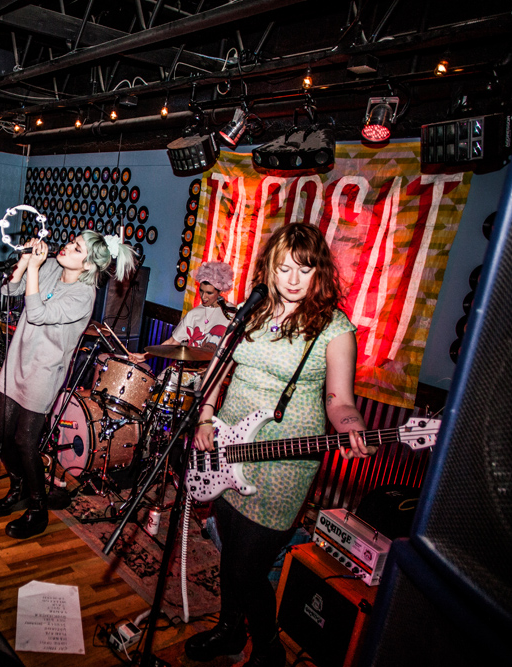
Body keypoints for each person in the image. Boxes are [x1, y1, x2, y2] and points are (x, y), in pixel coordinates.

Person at [186, 224, 372, 666]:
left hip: (284, 463)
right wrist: (206, 416)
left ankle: (267, 650)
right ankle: (230, 631)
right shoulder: (251, 312)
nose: (292, 279)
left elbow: (340, 400)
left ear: (318, 273)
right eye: (284, 267)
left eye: (304, 270)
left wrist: (350, 424)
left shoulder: (333, 327)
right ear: (268, 267)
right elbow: (216, 371)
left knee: (245, 568)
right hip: (229, 449)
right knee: (230, 551)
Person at [0, 231, 138, 539]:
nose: (67, 247)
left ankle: (37, 507)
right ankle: (18, 486)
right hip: (18, 358)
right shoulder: (51, 268)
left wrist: (34, 269)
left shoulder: (83, 296)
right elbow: (10, 291)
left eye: (76, 248)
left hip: (43, 371)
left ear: (87, 265)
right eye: (72, 242)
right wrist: (25, 262)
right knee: (1, 435)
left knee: (25, 442)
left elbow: (37, 312)